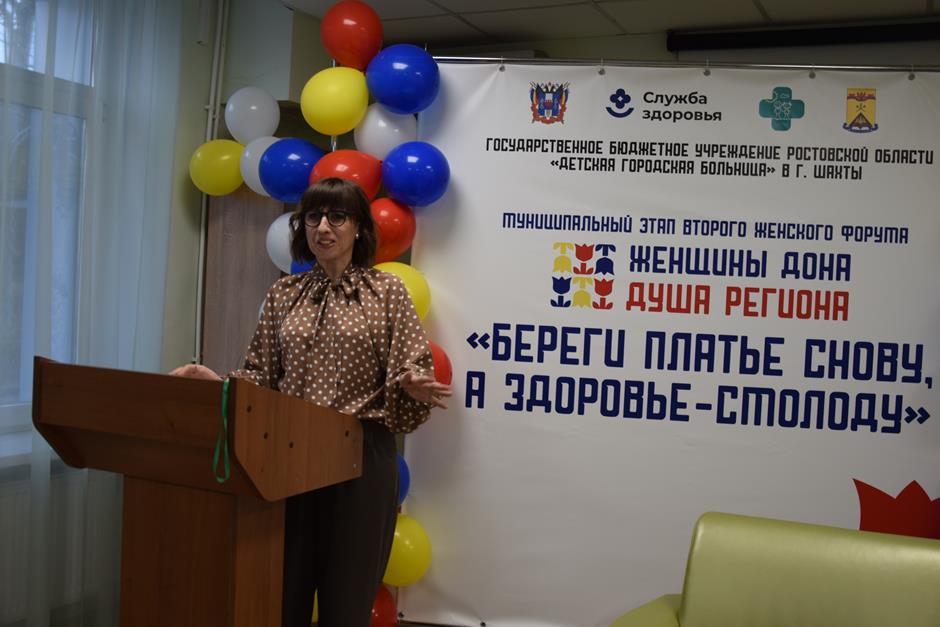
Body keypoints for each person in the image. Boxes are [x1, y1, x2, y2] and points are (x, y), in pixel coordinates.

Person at [171, 177, 452, 627]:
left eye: (337, 216)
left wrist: (411, 385)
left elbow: (409, 366)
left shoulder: (387, 292)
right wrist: (217, 383)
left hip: (361, 459)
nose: (323, 227)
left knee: (346, 604)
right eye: (313, 217)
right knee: (283, 599)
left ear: (358, 228)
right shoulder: (283, 294)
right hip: (287, 457)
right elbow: (260, 375)